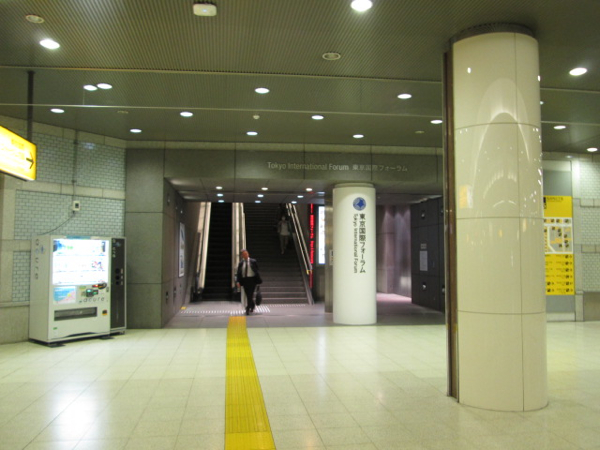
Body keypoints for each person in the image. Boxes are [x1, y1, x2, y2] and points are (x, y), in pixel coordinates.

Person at [235, 249, 261, 315]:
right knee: (248, 295)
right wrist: (238, 281)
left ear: (248, 254)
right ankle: (252, 305)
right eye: (243, 254)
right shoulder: (241, 263)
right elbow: (238, 273)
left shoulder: (253, 261)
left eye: (246, 254)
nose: (245, 255)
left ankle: (247, 308)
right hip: (245, 280)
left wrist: (258, 280)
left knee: (250, 294)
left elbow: (257, 271)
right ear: (242, 256)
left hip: (252, 280)